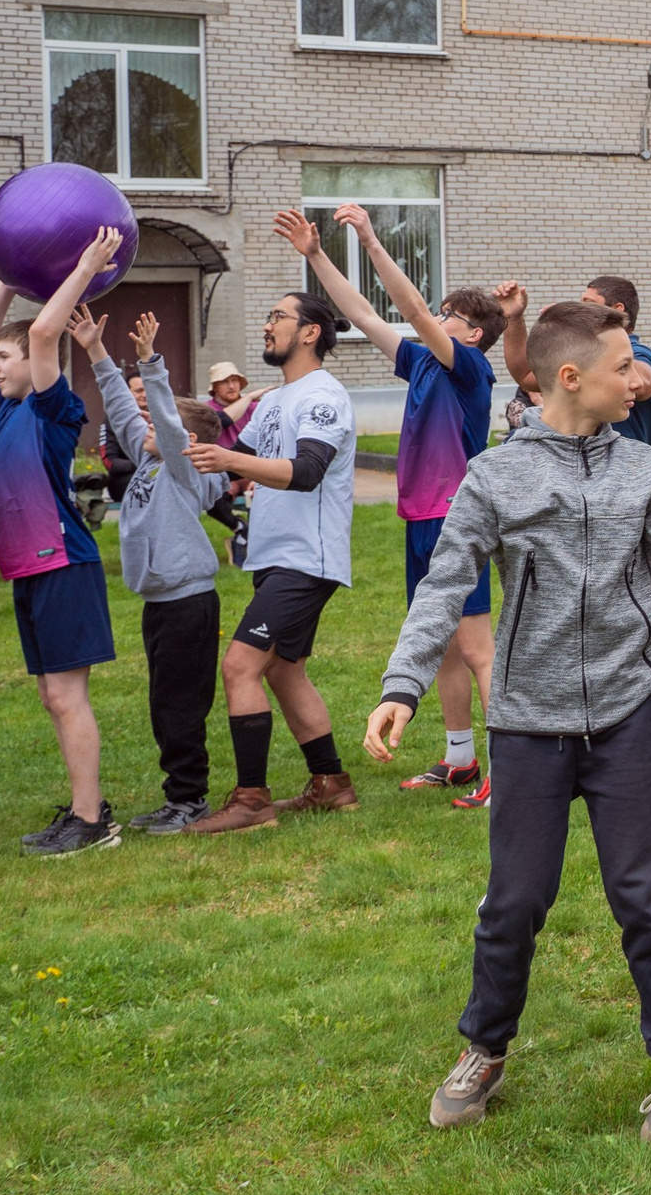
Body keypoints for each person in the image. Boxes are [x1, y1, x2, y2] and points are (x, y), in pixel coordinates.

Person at [365, 299, 651, 1138]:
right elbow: (444, 584)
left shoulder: (645, 472)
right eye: (622, 366)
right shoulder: (496, 476)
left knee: (647, 899)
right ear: (571, 378)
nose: (637, 379)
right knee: (515, 899)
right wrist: (402, 684)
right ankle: (484, 1048)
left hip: (630, 716)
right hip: (527, 721)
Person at [281, 206, 505, 805]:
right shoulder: (421, 363)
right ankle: (460, 759)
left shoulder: (470, 369)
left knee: (478, 648)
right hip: (420, 521)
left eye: (446, 314)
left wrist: (373, 241)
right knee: (439, 644)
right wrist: (316, 255)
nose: (434, 318)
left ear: (473, 331)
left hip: (459, 519)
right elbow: (359, 313)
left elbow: (405, 310)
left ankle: (511, 772)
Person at [0, 229, 125, 856]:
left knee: (65, 693)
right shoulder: (6, 409)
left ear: (36, 367)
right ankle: (85, 809)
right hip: (30, 570)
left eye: (7, 360)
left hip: (63, 562)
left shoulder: (55, 410)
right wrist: (11, 275)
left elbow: (40, 335)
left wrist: (80, 269)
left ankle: (91, 822)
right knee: (52, 695)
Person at [180, 281, 360, 834]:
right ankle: (331, 785)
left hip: (308, 559)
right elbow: (243, 465)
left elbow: (305, 473)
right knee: (283, 671)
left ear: (309, 332)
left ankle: (252, 800)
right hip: (276, 556)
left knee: (240, 665)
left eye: (276, 315)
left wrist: (230, 459)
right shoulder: (275, 401)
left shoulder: (323, 396)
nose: (266, 324)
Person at [73, 308, 228, 836]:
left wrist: (152, 365)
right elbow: (124, 412)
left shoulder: (188, 471)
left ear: (189, 440)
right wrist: (96, 351)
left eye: (161, 425)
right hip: (162, 604)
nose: (144, 429)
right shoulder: (151, 463)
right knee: (165, 706)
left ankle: (190, 800)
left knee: (181, 708)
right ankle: (177, 797)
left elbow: (161, 419)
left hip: (188, 604)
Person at [496, 275, 651, 446]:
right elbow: (526, 375)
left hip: (626, 466)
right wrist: (514, 319)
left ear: (618, 310)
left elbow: (644, 384)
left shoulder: (642, 354)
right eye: (623, 367)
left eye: (589, 302)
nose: (582, 308)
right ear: (571, 377)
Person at [200, 362, 254, 534]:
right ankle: (239, 528)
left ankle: (260, 540)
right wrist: (249, 397)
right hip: (224, 472)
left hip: (254, 468)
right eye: (225, 382)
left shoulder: (255, 407)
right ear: (215, 387)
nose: (231, 386)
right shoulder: (205, 410)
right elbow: (221, 420)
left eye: (235, 380)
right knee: (213, 498)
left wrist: (257, 478)